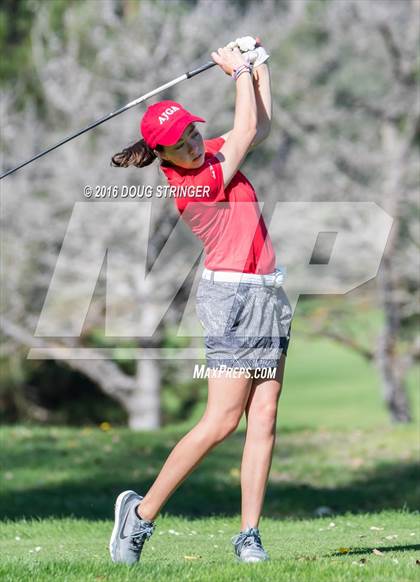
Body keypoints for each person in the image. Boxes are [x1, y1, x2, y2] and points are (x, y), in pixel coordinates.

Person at [108, 37, 293, 565]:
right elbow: (248, 132)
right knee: (221, 422)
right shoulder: (193, 183)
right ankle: (139, 517)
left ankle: (249, 535)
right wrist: (236, 72)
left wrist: (258, 69)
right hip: (231, 300)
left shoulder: (209, 153)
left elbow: (260, 128)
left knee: (265, 416)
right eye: (178, 141)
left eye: (191, 130)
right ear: (160, 154)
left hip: (268, 293)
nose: (191, 142)